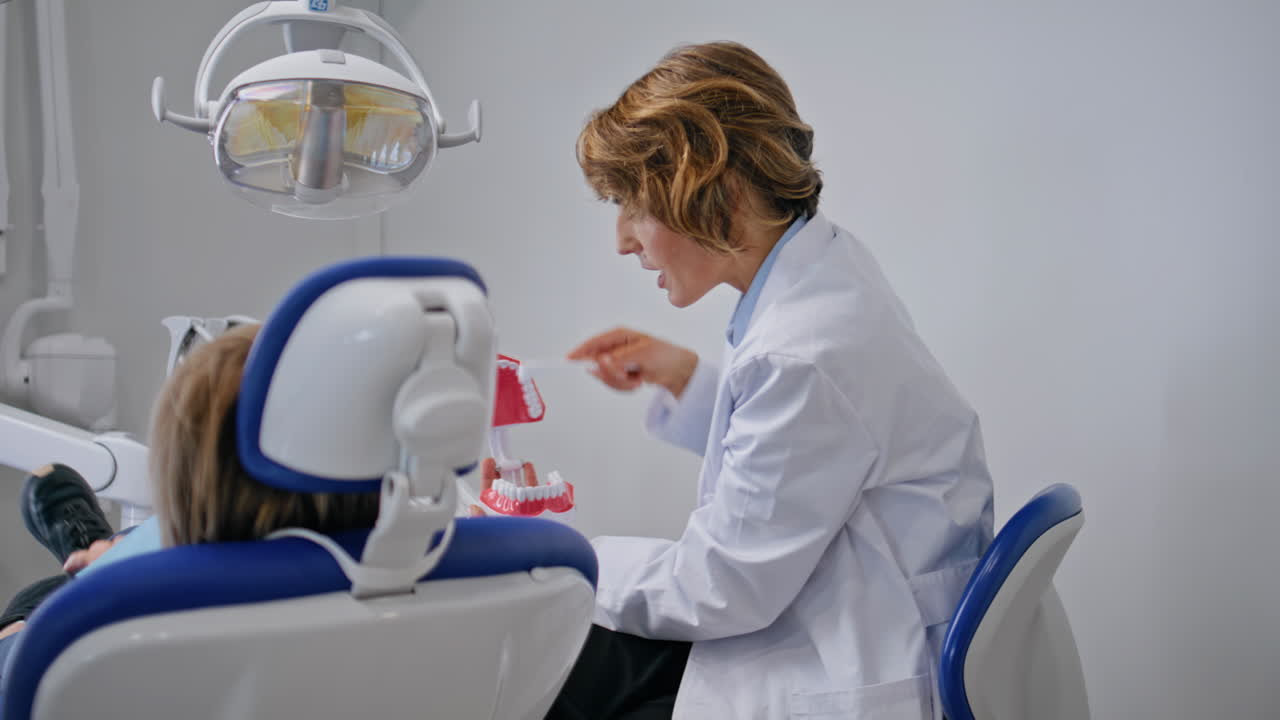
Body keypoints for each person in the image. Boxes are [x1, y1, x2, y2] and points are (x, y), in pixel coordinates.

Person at [524, 41, 996, 719]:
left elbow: (720, 587)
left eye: (633, 205)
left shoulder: (803, 352)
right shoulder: (827, 272)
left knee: (560, 669)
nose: (623, 240)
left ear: (711, 184)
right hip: (847, 612)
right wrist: (690, 382)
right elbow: (816, 450)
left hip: (844, 663)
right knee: (578, 660)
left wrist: (564, 558)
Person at [0, 325, 380, 681]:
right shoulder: (407, 576)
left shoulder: (110, 622)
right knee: (136, 538)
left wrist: (107, 588)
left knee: (36, 602)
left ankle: (98, 560)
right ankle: (110, 553)